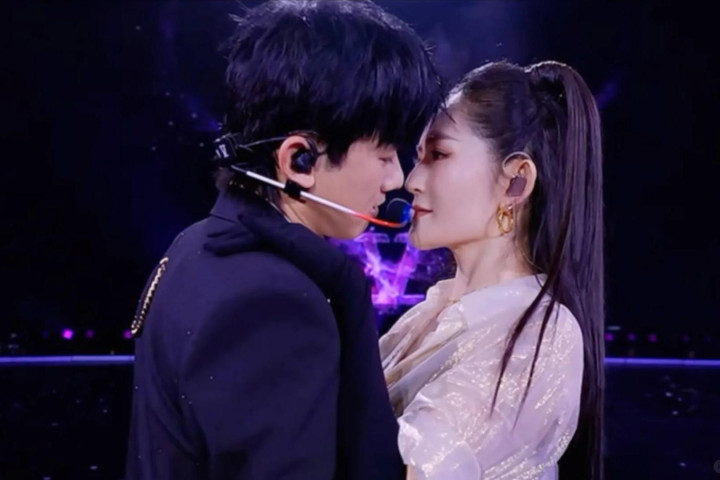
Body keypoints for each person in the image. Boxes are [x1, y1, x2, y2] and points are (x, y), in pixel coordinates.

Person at [124, 1, 443, 479]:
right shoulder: (273, 300)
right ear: (299, 160)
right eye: (383, 154)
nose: (396, 178)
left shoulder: (196, 248)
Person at [379, 60, 604, 480]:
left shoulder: (541, 334)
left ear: (516, 182)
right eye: (419, 158)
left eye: (438, 155)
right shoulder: (425, 317)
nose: (412, 181)